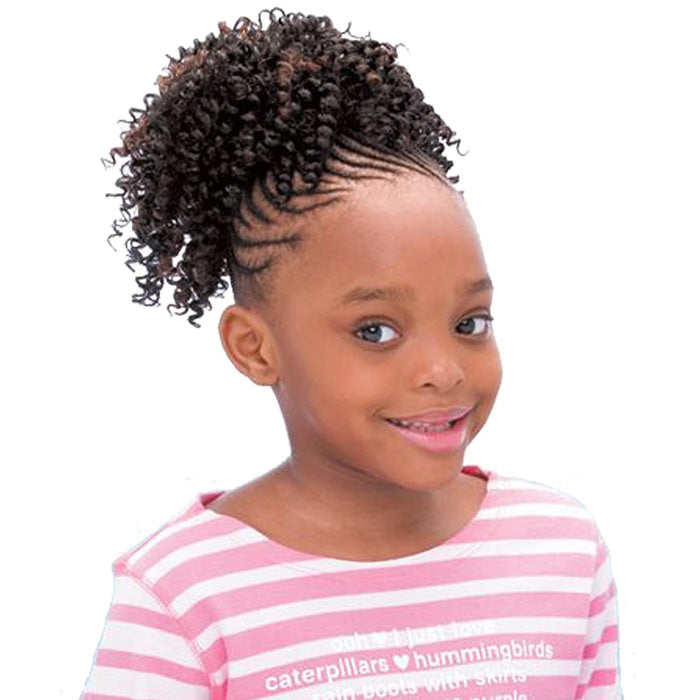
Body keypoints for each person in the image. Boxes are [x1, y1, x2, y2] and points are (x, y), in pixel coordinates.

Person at [80, 10, 622, 699]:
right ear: (255, 348)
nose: (444, 370)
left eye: (469, 321)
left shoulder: (560, 551)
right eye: (375, 331)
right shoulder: (184, 595)